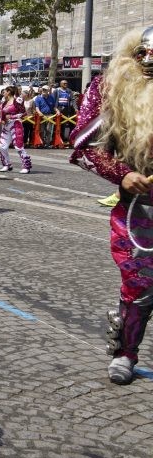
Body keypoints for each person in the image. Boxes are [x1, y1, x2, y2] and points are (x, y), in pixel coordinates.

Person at [71, 27, 153, 384]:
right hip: (140, 207)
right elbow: (82, 144)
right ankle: (126, 352)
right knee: (140, 285)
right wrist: (122, 174)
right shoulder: (113, 90)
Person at [0, 86, 32, 174]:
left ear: (8, 92)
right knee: (2, 146)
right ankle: (6, 164)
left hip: (16, 124)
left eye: (4, 91)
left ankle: (26, 166)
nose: (3, 93)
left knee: (18, 146)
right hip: (6, 126)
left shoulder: (17, 100)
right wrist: (1, 119)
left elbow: (24, 113)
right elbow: (1, 114)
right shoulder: (4, 102)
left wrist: (12, 116)